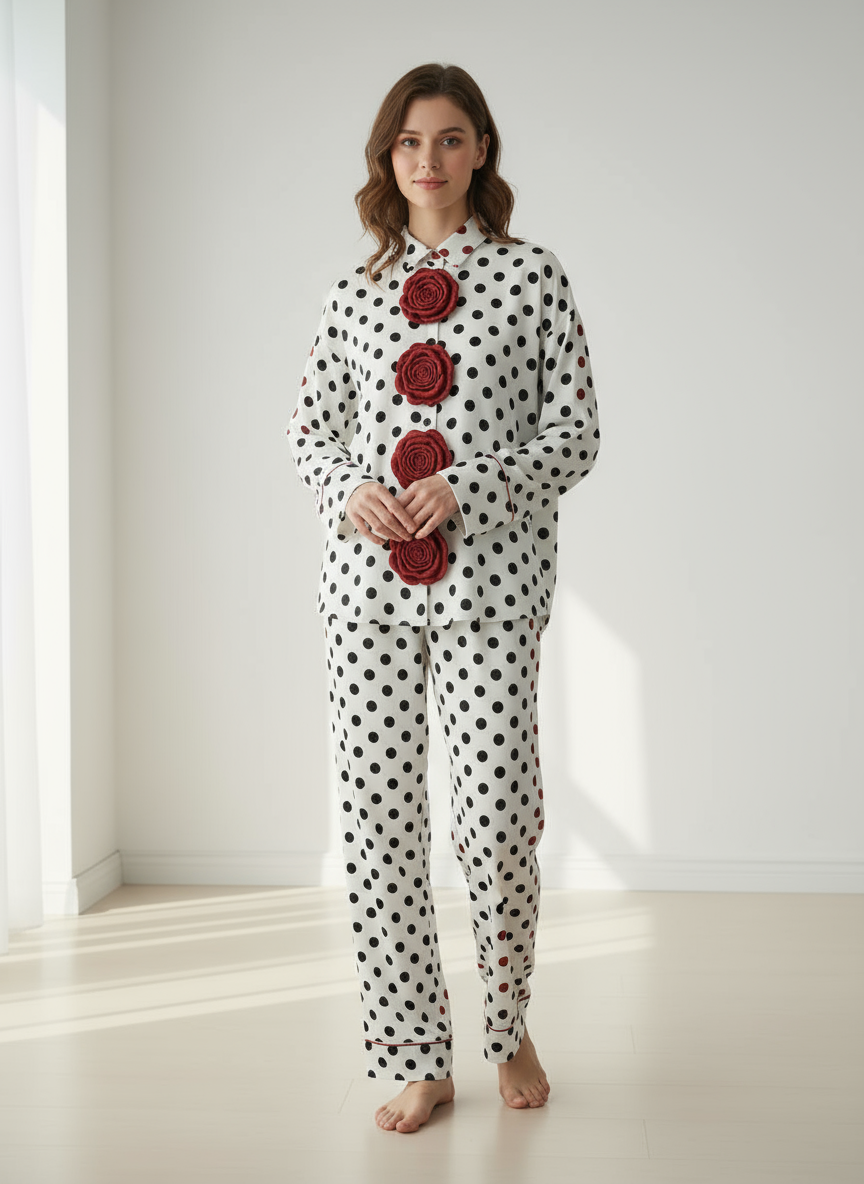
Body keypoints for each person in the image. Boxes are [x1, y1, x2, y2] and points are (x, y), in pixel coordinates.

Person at [288, 62, 599, 1133]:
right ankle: (417, 1054)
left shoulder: (533, 277)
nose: (430, 158)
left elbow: (576, 434)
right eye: (411, 140)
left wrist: (471, 485)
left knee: (497, 818)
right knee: (378, 825)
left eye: (452, 138)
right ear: (389, 156)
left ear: (482, 151)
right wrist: (350, 491)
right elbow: (309, 432)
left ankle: (507, 1025)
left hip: (493, 591)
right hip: (364, 597)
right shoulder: (352, 294)